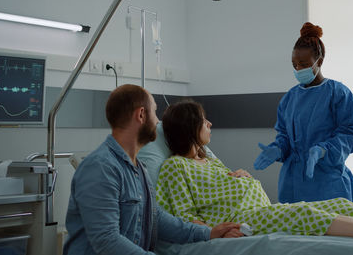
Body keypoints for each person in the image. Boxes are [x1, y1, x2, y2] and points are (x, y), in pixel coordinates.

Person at [156, 100, 353, 244]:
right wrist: (218, 231)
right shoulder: (173, 168)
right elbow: (182, 218)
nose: (210, 125)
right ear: (188, 128)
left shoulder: (209, 160)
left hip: (261, 210)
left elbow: (219, 188)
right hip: (243, 222)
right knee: (306, 212)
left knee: (340, 204)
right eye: (204, 121)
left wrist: (237, 176)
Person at [63, 85, 242, 255]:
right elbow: (106, 240)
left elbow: (156, 218)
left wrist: (208, 233)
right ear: (141, 115)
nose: (158, 122)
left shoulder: (138, 169)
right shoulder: (101, 167)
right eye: (155, 112)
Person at [254, 22, 353, 206]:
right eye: (295, 64)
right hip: (292, 184)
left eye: (304, 64)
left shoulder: (337, 93)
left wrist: (324, 150)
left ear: (319, 61)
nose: (298, 69)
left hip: (328, 182)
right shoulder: (290, 98)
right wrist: (279, 149)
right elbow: (285, 136)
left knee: (337, 229)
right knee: (295, 233)